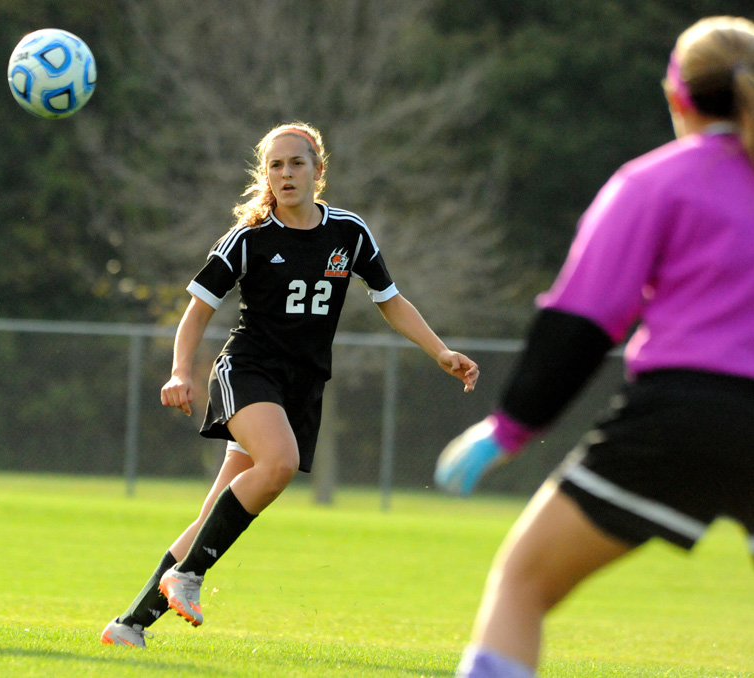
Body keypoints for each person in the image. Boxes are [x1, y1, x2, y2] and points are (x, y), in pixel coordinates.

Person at [433, 16, 754, 678]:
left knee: (523, 582)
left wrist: (510, 428)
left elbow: (582, 320)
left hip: (681, 419)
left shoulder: (654, 182)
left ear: (678, 97)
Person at [101, 121, 479, 647]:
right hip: (247, 371)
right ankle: (186, 577)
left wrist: (440, 351)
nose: (285, 173)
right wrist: (180, 372)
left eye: (296, 163)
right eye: (275, 165)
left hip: (300, 387)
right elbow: (196, 313)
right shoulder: (248, 239)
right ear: (265, 175)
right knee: (276, 464)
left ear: (318, 171)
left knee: (214, 516)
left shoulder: (349, 233)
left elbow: (390, 299)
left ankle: (129, 625)